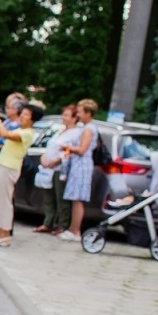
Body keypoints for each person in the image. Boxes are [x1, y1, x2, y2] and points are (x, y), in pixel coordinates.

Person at [0, 97, 41, 247]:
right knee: (1, 201)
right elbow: (9, 145)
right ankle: (0, 231)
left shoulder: (27, 133)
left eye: (26, 115)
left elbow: (4, 134)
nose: (22, 116)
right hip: (5, 164)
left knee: (5, 202)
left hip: (10, 167)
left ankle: (5, 233)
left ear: (32, 119)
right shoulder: (21, 130)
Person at [33, 104, 80, 235]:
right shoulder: (60, 131)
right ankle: (47, 222)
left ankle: (62, 224)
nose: (63, 118)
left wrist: (57, 160)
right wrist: (44, 156)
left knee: (61, 198)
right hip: (48, 168)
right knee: (48, 197)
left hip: (60, 168)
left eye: (66, 115)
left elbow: (69, 151)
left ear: (74, 118)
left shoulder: (75, 133)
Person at [58, 99, 98, 242]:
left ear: (88, 113)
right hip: (78, 164)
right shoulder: (85, 128)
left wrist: (67, 148)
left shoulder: (89, 129)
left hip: (82, 164)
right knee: (74, 197)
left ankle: (75, 230)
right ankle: (73, 229)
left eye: (80, 112)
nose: (78, 115)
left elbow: (82, 149)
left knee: (77, 198)